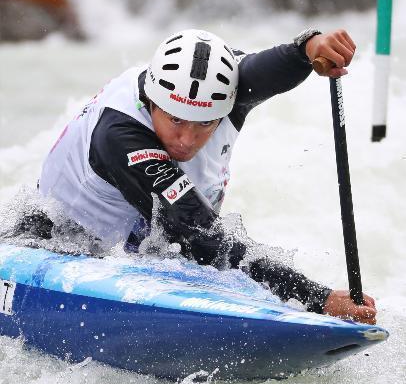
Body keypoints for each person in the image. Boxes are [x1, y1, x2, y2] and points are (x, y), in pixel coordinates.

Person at [38, 27, 377, 324]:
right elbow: (202, 237)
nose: (187, 140)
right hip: (59, 242)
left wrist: (311, 46)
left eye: (204, 124)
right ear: (153, 101)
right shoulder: (120, 136)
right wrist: (316, 298)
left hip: (152, 245)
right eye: (175, 120)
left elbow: (267, 68)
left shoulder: (225, 93)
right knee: (196, 238)